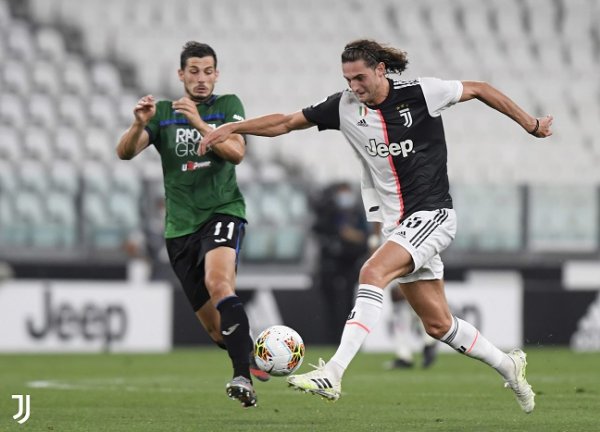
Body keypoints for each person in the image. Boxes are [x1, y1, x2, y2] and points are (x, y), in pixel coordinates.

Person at [200, 39, 553, 413]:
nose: (354, 87)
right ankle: (508, 365)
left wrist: (530, 124)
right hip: (398, 225)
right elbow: (287, 122)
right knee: (438, 325)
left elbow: (480, 88)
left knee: (371, 271)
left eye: (360, 78)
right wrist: (231, 129)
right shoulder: (344, 106)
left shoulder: (422, 92)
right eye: (348, 79)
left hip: (433, 214)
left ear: (381, 70)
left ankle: (333, 373)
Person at [116, 41, 268, 408]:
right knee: (217, 331)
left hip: (222, 211)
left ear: (217, 74)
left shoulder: (228, 106)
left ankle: (242, 379)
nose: (201, 79)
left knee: (219, 283)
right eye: (194, 72)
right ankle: (250, 349)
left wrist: (200, 124)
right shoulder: (163, 112)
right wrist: (139, 124)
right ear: (181, 74)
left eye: (208, 71)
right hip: (179, 228)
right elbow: (124, 152)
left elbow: (236, 154)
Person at [312, 182, 369, 341]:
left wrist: (351, 235)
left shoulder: (357, 214)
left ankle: (348, 338)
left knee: (349, 305)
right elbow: (318, 230)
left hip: (350, 264)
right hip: (330, 265)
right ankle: (332, 338)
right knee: (330, 305)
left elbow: (365, 238)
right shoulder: (329, 213)